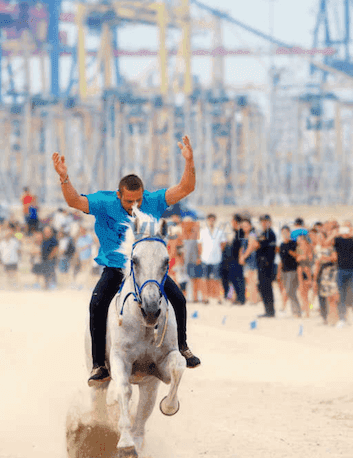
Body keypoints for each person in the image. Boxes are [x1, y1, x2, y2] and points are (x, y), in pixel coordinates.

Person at [52, 135, 200, 386]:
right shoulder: (103, 202)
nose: (134, 206)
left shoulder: (153, 201)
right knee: (97, 304)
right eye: (128, 200)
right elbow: (74, 201)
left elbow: (185, 188)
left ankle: (183, 346)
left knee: (178, 298)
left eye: (138, 200)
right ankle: (99, 364)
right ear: (119, 194)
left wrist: (189, 161)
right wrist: (64, 177)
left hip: (147, 269)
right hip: (116, 268)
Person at [331, 221, 353, 323]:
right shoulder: (337, 239)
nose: (346, 229)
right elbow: (326, 243)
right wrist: (334, 234)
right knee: (341, 295)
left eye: (348, 227)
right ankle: (342, 319)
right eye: (345, 227)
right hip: (341, 270)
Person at [199, 214, 226, 304]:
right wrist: (201, 255)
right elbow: (199, 244)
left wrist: (218, 251)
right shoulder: (203, 232)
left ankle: (219, 297)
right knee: (204, 279)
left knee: (217, 279)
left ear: (215, 221)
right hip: (205, 258)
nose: (211, 222)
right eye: (209, 220)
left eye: (212, 220)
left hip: (216, 259)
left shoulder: (219, 232)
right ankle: (205, 297)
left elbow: (223, 244)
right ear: (207, 221)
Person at [253, 215, 277, 317]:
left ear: (269, 222)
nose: (263, 223)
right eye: (262, 222)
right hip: (262, 264)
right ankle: (268, 310)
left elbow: (256, 245)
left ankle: (270, 311)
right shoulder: (263, 233)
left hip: (267, 265)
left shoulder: (269, 234)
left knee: (266, 287)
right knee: (263, 287)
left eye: (265, 221)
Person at [278, 226, 301, 317]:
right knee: (290, 292)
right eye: (283, 232)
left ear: (289, 233)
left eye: (286, 232)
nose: (284, 234)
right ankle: (295, 311)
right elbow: (281, 260)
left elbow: (299, 256)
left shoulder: (294, 243)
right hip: (284, 270)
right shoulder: (281, 245)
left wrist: (291, 252)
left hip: (293, 270)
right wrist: (279, 272)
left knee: (289, 291)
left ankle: (296, 311)